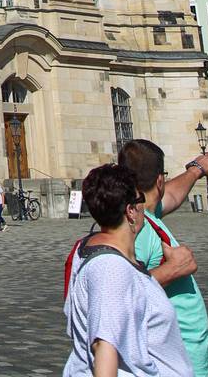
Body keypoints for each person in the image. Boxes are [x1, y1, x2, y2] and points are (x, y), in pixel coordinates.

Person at [64, 161, 191, 377]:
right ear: (131, 211)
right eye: (141, 199)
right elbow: (104, 347)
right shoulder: (111, 268)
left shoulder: (88, 248)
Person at [119, 137, 208, 377]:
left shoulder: (145, 214)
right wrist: (174, 268)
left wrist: (198, 169)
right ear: (160, 179)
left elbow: (171, 195)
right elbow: (120, 290)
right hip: (172, 360)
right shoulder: (135, 229)